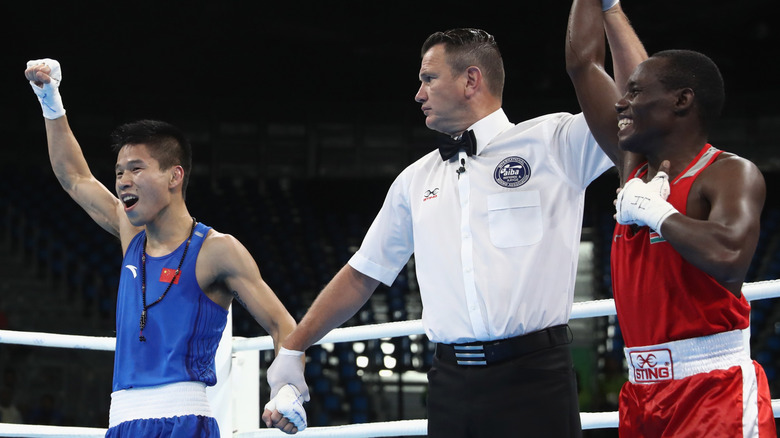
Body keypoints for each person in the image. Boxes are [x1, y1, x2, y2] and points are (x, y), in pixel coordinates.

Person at [262, 1, 633, 436]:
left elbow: (637, 110)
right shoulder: (414, 180)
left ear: (470, 80)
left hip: (535, 378)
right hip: (450, 385)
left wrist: (611, 10)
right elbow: (363, 273)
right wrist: (294, 348)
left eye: (428, 78)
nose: (418, 94)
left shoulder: (555, 141)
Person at [24, 59, 300, 437]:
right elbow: (74, 177)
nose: (123, 180)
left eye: (136, 169)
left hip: (184, 420)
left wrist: (287, 390)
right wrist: (49, 99)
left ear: (174, 176)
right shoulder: (132, 237)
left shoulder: (217, 251)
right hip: (123, 421)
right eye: (119, 171)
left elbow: (283, 325)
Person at [568, 3, 777, 435]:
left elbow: (729, 257)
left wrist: (656, 212)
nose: (621, 102)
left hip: (713, 391)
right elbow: (584, 65)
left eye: (635, 93)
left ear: (682, 100)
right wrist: (606, 7)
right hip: (641, 394)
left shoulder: (728, 172)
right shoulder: (633, 173)